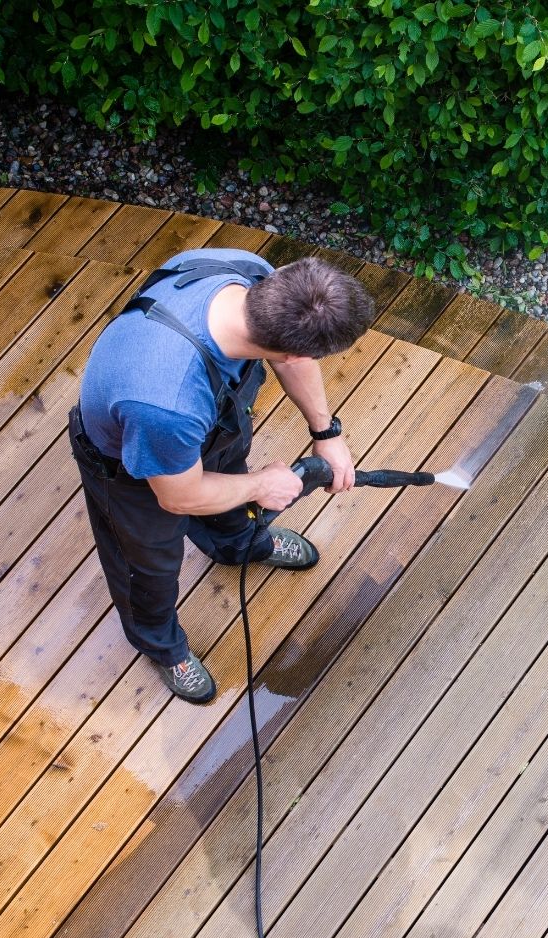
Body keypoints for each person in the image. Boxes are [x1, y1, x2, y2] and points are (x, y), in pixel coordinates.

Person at [68, 248, 375, 703]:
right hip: (134, 471)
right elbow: (180, 496)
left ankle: (238, 546)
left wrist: (325, 432)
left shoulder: (252, 275)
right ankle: (161, 644)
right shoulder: (166, 401)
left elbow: (290, 359)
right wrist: (261, 486)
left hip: (210, 429)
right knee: (147, 568)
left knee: (233, 495)